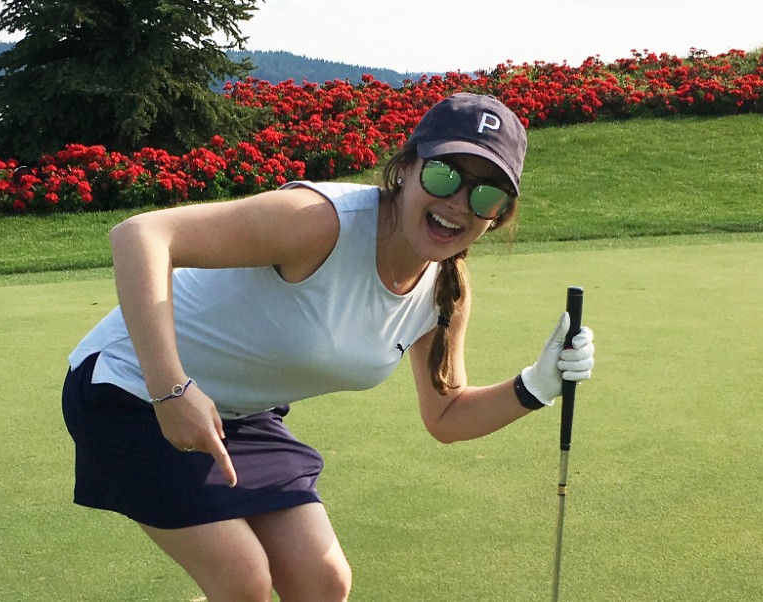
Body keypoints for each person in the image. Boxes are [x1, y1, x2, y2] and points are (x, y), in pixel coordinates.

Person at [61, 93, 596, 602]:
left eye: (484, 194)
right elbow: (141, 235)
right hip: (130, 385)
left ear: (497, 215)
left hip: (236, 414)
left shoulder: (444, 291)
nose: (458, 202)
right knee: (243, 579)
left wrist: (537, 386)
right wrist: (170, 389)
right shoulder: (321, 221)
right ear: (406, 168)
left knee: (323, 581)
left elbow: (447, 415)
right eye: (444, 174)